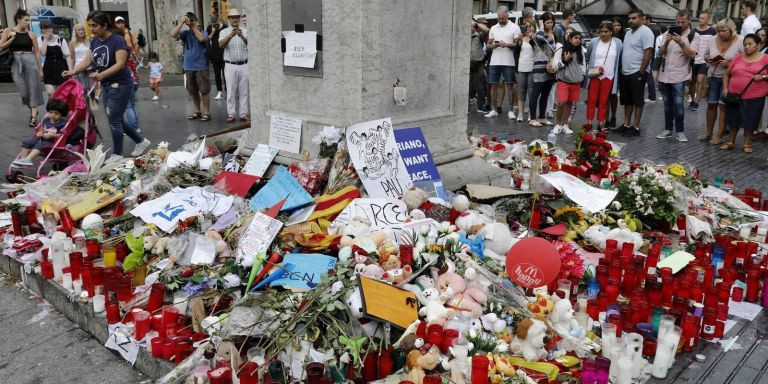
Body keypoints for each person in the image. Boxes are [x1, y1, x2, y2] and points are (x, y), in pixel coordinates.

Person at [62, 10, 150, 157]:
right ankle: (140, 141)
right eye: (89, 25)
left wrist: (101, 74)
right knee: (116, 118)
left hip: (121, 85)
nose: (91, 29)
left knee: (114, 120)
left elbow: (121, 64)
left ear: (104, 25)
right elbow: (88, 60)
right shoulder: (95, 40)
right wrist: (73, 71)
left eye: (94, 25)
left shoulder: (118, 40)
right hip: (106, 85)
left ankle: (117, 154)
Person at [721, 33, 768, 153]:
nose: (747, 46)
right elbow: (726, 74)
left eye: (750, 44)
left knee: (750, 120)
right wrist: (725, 89)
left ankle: (747, 143)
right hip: (734, 95)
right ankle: (731, 141)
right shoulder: (737, 58)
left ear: (758, 45)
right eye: (745, 44)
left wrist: (763, 76)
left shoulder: (765, 58)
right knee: (732, 119)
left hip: (755, 96)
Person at [655, 9, 698, 142]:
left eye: (683, 22)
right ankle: (668, 129)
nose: (679, 24)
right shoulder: (668, 32)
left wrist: (681, 42)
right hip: (664, 75)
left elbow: (692, 55)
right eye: (677, 22)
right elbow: (661, 53)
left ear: (689, 21)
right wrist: (666, 42)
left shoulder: (693, 35)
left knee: (678, 104)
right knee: (667, 104)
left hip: (679, 75)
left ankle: (680, 131)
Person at [700, 19, 742, 144]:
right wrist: (709, 60)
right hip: (713, 76)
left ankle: (719, 135)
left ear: (731, 30)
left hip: (729, 79)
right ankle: (708, 133)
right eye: (719, 31)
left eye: (724, 31)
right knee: (711, 105)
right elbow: (706, 55)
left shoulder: (740, 40)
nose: (721, 33)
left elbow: (745, 61)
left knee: (723, 107)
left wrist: (728, 64)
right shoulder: (713, 39)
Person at [613, 9, 654, 136]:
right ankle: (626, 124)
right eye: (629, 18)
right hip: (625, 72)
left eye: (634, 18)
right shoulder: (628, 32)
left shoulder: (646, 32)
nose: (631, 20)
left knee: (638, 100)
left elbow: (648, 52)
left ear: (641, 18)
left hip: (637, 71)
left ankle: (635, 127)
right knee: (627, 100)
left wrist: (641, 71)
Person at [0, 9, 44, 127]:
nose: (27, 22)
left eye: (28, 20)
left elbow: (37, 53)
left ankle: (34, 117)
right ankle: (32, 109)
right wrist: (11, 39)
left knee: (33, 88)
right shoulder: (8, 31)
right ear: (18, 20)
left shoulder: (31, 34)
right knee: (23, 91)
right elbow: (1, 47)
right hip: (16, 61)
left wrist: (40, 69)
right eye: (26, 20)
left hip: (30, 61)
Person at [172, 11, 212, 122]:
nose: (191, 22)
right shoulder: (185, 33)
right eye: (189, 20)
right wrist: (181, 23)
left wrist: (193, 27)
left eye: (193, 20)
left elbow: (202, 39)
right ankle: (197, 111)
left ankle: (207, 112)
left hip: (201, 66)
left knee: (204, 90)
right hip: (188, 66)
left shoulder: (203, 32)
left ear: (198, 22)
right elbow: (173, 34)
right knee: (193, 91)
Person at [585, 21, 622, 131]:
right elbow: (588, 56)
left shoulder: (618, 43)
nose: (603, 34)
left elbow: (619, 60)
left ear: (611, 32)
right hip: (594, 75)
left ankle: (601, 123)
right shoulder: (593, 42)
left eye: (606, 31)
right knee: (591, 100)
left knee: (604, 101)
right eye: (601, 31)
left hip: (609, 76)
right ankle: (589, 123)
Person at [484, 6, 520, 119]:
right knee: (493, 85)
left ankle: (510, 110)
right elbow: (488, 45)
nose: (500, 20)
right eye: (499, 18)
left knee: (510, 85)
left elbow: (517, 45)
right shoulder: (493, 28)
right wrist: (493, 46)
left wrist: (507, 45)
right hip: (494, 61)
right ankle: (494, 109)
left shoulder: (515, 27)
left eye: (503, 18)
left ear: (507, 16)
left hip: (509, 61)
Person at [11, 99, 69, 169]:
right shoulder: (46, 120)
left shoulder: (63, 123)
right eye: (51, 112)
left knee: (40, 144)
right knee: (26, 142)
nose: (53, 115)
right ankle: (22, 160)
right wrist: (40, 133)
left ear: (62, 114)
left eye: (56, 113)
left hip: (53, 143)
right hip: (42, 140)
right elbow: (42, 129)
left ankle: (28, 159)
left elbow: (64, 135)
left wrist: (52, 135)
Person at [551, 27, 585, 134]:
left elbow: (583, 66)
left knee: (570, 104)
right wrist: (564, 61)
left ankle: (565, 125)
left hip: (576, 82)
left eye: (579, 38)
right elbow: (554, 66)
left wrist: (582, 75)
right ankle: (557, 125)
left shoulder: (581, 51)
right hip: (563, 81)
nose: (578, 40)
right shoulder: (561, 50)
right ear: (570, 39)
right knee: (561, 103)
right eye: (575, 38)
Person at [219, 8, 250, 123]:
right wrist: (230, 36)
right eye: (233, 17)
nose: (235, 19)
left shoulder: (245, 30)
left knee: (244, 91)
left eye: (237, 17)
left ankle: (243, 114)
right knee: (231, 91)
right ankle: (231, 114)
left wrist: (242, 37)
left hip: (244, 64)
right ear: (229, 19)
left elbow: (251, 46)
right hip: (230, 65)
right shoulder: (224, 31)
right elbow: (221, 45)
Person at [528, 12, 556, 127]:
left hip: (550, 68)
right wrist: (539, 26)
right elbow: (541, 39)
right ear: (543, 23)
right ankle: (532, 118)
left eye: (551, 22)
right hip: (539, 67)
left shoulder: (553, 34)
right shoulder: (537, 34)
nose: (550, 24)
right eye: (547, 22)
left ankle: (542, 117)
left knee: (545, 94)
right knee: (535, 93)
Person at [689, 10, 716, 111]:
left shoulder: (712, 31)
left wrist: (711, 59)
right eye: (700, 18)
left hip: (705, 60)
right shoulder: (694, 31)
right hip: (693, 59)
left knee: (700, 80)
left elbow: (715, 45)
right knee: (692, 82)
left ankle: (696, 102)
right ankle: (692, 99)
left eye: (703, 18)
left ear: (707, 19)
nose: (700, 20)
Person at [38, 21, 71, 96]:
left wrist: (71, 70)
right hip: (48, 69)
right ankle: (51, 107)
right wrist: (46, 39)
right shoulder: (40, 39)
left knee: (60, 94)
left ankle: (55, 107)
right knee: (51, 93)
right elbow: (43, 53)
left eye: (49, 28)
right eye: (44, 28)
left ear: (52, 28)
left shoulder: (61, 40)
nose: (47, 30)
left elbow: (67, 56)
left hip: (61, 68)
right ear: (41, 30)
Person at [606, 16, 626, 128]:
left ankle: (613, 116)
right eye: (615, 25)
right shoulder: (606, 37)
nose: (617, 27)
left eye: (619, 25)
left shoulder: (623, 38)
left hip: (618, 70)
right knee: (606, 95)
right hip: (607, 69)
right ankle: (606, 118)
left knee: (613, 94)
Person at [514, 19, 536, 122]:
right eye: (526, 26)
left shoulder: (536, 37)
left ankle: (531, 113)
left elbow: (537, 49)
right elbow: (516, 52)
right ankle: (521, 113)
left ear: (534, 27)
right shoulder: (521, 38)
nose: (528, 28)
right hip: (521, 66)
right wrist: (518, 41)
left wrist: (531, 38)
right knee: (521, 91)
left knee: (531, 92)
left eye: (530, 26)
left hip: (532, 66)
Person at [471, 18, 490, 114]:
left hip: (478, 64)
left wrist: (476, 24)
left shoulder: (479, 35)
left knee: (481, 88)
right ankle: (465, 109)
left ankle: (480, 106)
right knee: (465, 88)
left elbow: (487, 30)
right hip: (466, 65)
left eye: (471, 26)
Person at [69, 23, 93, 97]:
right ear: (75, 32)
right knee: (84, 88)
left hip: (90, 67)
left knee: (92, 88)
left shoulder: (89, 40)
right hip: (79, 68)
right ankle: (85, 105)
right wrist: (72, 71)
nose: (81, 31)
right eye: (79, 30)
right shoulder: (72, 43)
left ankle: (92, 102)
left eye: (82, 30)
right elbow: (72, 58)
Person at [207, 15, 227, 101]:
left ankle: (228, 90)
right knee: (217, 74)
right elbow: (208, 39)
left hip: (224, 54)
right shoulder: (209, 27)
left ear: (220, 21)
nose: (215, 25)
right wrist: (213, 31)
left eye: (216, 23)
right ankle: (219, 92)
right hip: (214, 54)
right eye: (213, 23)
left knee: (226, 74)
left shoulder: (225, 27)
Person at [642, 14, 660, 103]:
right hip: (650, 54)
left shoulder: (651, 29)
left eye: (643, 19)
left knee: (649, 74)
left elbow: (651, 44)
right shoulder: (653, 28)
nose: (642, 21)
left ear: (648, 19)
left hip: (649, 54)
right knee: (648, 74)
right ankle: (651, 96)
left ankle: (652, 96)